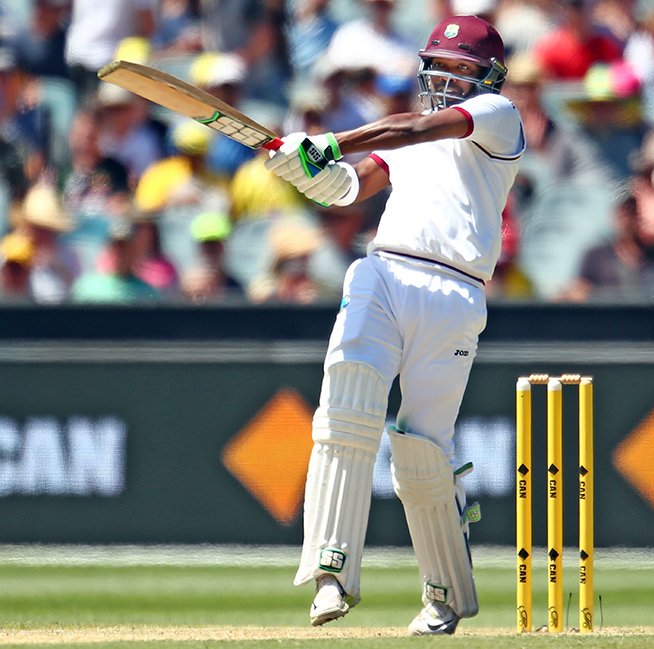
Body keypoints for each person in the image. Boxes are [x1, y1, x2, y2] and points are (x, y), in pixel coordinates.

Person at [264, 14, 523, 635]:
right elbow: (351, 188)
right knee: (346, 410)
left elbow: (407, 128)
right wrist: (305, 170)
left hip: (457, 291)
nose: (452, 81)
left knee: (421, 450)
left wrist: (328, 140)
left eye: (465, 71)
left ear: (487, 77)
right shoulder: (406, 142)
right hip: (382, 275)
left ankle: (444, 596)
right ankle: (330, 573)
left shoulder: (497, 115)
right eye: (443, 68)